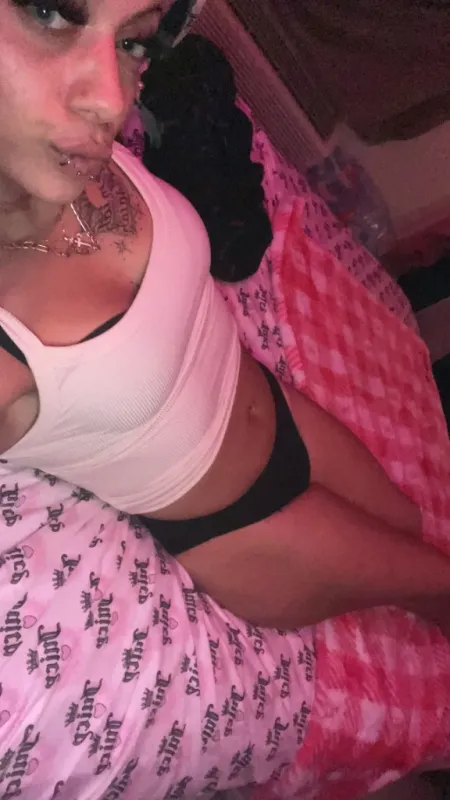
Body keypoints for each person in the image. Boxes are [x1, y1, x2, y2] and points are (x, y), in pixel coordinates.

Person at [0, 2, 449, 798]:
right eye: (51, 12)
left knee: (413, 526)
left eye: (132, 40)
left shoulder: (63, 150)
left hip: (272, 404)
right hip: (245, 525)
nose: (113, 97)